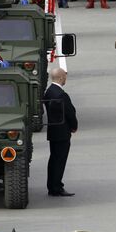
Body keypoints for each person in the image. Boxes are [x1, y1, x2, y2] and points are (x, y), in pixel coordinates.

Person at [43, 68, 78, 197]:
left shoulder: (49, 92)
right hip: (62, 132)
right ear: (61, 77)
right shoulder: (62, 95)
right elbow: (70, 113)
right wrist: (74, 126)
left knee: (53, 160)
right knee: (60, 160)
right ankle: (57, 187)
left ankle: (52, 185)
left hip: (53, 131)